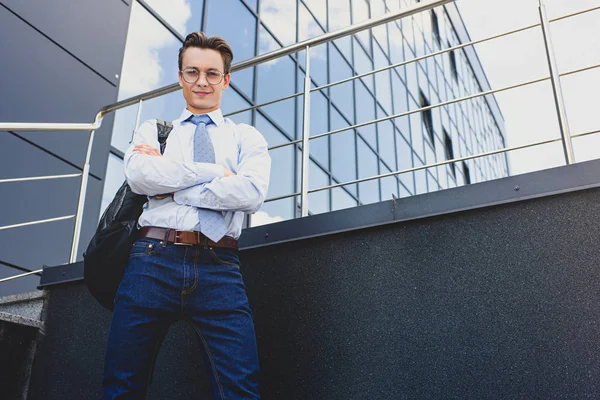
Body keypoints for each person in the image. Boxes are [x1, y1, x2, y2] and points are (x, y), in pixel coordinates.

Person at [101, 32, 271, 400]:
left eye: (212, 73)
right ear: (180, 77)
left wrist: (172, 179)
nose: (201, 81)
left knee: (240, 388)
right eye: (192, 72)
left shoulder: (246, 138)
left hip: (220, 266)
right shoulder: (155, 131)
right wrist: (215, 174)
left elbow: (252, 193)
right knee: (121, 385)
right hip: (151, 262)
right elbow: (140, 176)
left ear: (225, 80)